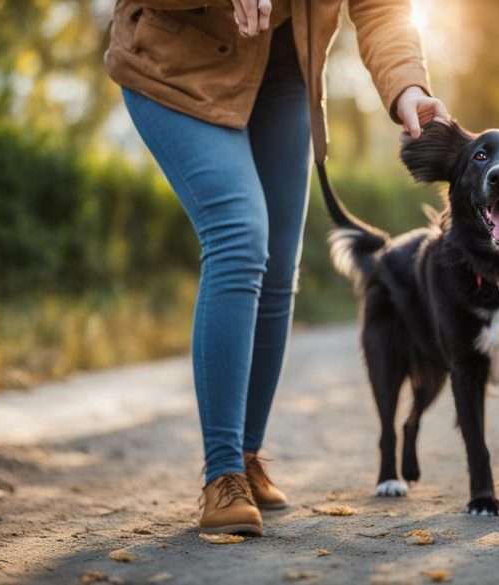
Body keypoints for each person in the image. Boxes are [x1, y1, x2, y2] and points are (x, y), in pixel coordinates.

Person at [104, 0, 449, 536]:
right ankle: (221, 476)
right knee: (239, 235)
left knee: (279, 266)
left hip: (284, 71)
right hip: (177, 65)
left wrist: (409, 87)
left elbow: (381, 8)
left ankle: (246, 456)